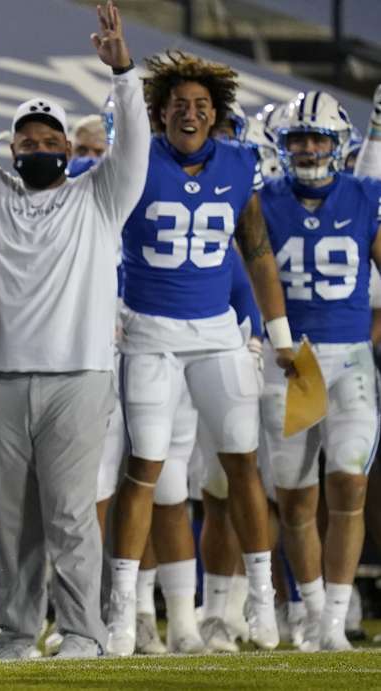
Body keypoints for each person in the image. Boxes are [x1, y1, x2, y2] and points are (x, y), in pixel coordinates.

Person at [0, 3, 147, 658]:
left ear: (68, 149)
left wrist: (124, 76)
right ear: (11, 149)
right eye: (27, 142)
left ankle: (82, 632)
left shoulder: (100, 197)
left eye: (50, 141)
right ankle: (19, 630)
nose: (40, 149)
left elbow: (134, 148)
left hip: (76, 380)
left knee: (72, 514)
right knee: (13, 518)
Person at [106, 47, 294, 656]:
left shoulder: (240, 162)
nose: (191, 113)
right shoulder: (135, 160)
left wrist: (280, 335)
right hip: (150, 334)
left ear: (216, 114)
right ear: (159, 113)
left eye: (201, 105)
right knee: (145, 469)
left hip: (217, 333)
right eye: (179, 104)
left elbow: (257, 251)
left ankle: (260, 598)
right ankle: (122, 611)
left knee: (242, 465)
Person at [259, 91, 380, 652]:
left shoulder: (365, 195)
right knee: (296, 500)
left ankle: (334, 619)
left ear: (340, 144)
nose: (308, 147)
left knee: (350, 483)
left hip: (350, 357)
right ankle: (310, 613)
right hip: (294, 362)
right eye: (298, 138)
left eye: (318, 138)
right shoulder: (262, 201)